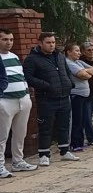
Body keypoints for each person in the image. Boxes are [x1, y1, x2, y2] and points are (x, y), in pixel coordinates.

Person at [22, 32, 80, 165]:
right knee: (45, 126)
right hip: (46, 98)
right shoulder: (32, 59)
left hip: (64, 96)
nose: (52, 45)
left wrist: (70, 83)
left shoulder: (59, 56)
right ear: (40, 43)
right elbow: (28, 77)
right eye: (48, 42)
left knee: (64, 125)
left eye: (53, 42)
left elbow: (67, 71)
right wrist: (45, 85)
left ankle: (65, 151)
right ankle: (44, 154)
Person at [0, 28, 37, 176]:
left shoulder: (14, 56)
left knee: (20, 133)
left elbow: (20, 76)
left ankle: (18, 161)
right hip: (5, 100)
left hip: (22, 99)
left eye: (11, 39)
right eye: (4, 39)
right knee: (2, 135)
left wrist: (26, 94)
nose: (9, 42)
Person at [64, 42, 93, 152]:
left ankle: (80, 141)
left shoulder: (78, 62)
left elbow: (92, 70)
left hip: (84, 94)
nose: (79, 53)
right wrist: (85, 72)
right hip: (76, 94)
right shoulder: (68, 62)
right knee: (76, 119)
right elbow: (83, 75)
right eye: (76, 51)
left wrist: (85, 71)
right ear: (68, 52)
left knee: (82, 119)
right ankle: (74, 143)